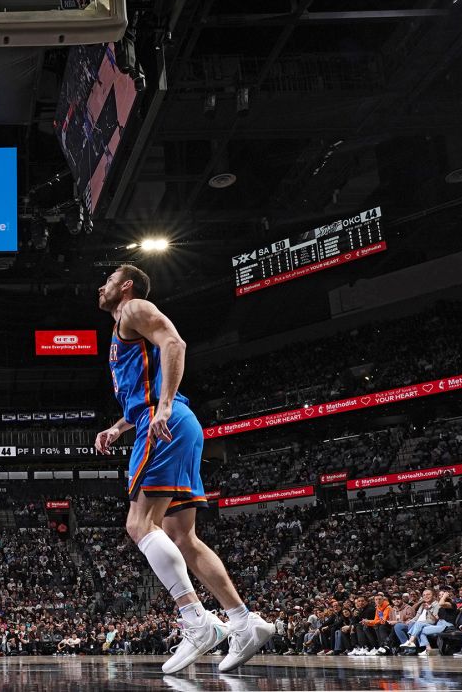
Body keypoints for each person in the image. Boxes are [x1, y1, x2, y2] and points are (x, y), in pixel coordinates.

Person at [94, 265, 274, 674]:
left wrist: (166, 405)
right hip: (172, 423)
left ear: (125, 286)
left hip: (166, 424)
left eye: (108, 280)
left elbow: (175, 342)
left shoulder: (133, 308)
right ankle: (244, 622)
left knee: (139, 525)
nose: (100, 287)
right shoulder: (123, 327)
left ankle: (197, 621)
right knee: (182, 536)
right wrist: (119, 426)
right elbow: (143, 392)